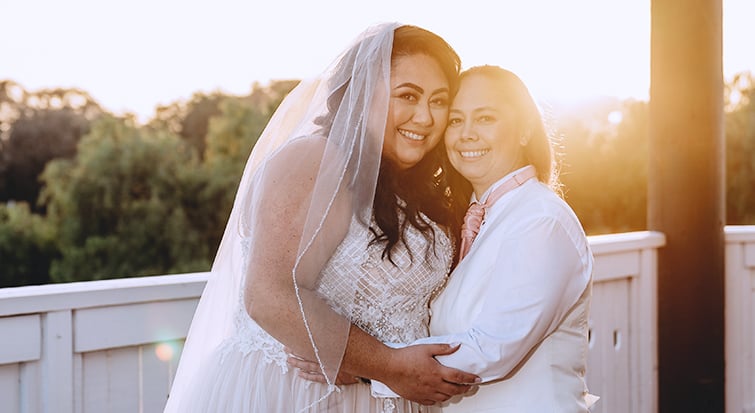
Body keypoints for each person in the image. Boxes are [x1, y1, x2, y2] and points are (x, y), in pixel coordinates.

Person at [163, 23, 479, 413]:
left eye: (438, 101)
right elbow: (268, 296)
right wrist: (385, 365)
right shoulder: (315, 160)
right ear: (364, 95)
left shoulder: (419, 193)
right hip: (296, 395)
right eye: (407, 96)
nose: (425, 117)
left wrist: (370, 370)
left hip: (386, 396)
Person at [291, 65, 596, 411]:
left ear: (525, 129)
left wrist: (365, 368)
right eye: (455, 120)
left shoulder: (541, 220)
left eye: (485, 119)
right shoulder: (468, 219)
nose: (466, 134)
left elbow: (490, 348)